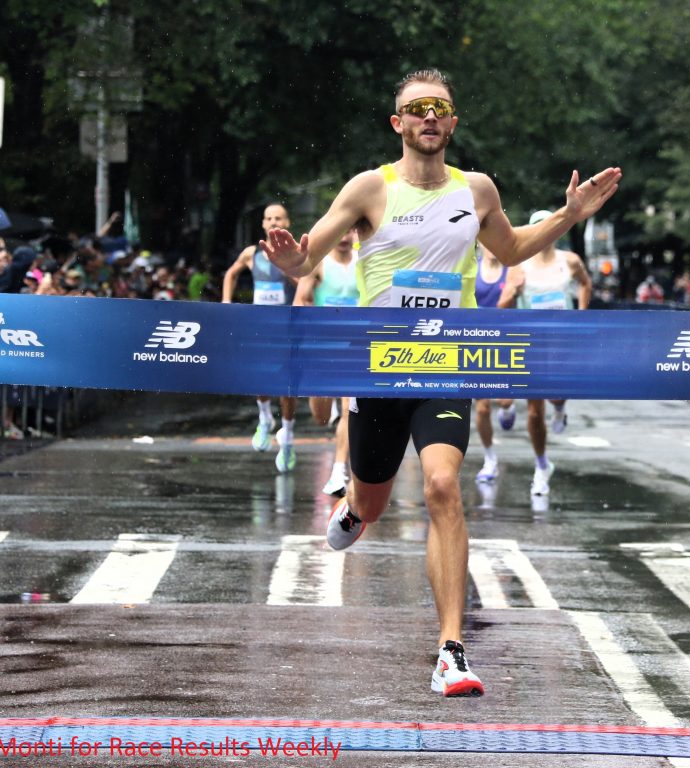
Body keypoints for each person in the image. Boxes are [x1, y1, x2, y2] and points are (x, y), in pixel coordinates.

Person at [260, 68, 621, 697]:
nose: (429, 116)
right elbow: (304, 258)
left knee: (442, 484)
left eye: (440, 108)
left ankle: (451, 649)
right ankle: (356, 509)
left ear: (452, 123)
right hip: (380, 368)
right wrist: (286, 254)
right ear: (397, 123)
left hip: (447, 361)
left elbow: (510, 250)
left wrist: (569, 213)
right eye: (416, 108)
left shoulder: (476, 189)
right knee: (372, 501)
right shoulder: (369, 188)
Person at [496, 209, 592, 496]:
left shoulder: (570, 261)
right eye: (537, 227)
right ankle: (541, 465)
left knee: (557, 394)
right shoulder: (519, 265)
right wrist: (514, 293)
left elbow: (586, 283)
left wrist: (582, 314)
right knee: (535, 411)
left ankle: (561, 408)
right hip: (532, 343)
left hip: (562, 340)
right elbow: (503, 306)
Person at [222, 203, 300, 472]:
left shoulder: (297, 254)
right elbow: (231, 274)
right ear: (263, 224)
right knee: (260, 377)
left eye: (278, 217)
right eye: (269, 218)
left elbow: (306, 285)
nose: (273, 222)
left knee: (287, 385)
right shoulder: (251, 253)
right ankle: (265, 418)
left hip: (287, 325)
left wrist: (287, 266)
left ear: (287, 222)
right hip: (259, 325)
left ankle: (287, 437)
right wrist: (226, 302)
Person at [292, 230, 360, 496]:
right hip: (322, 345)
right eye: (340, 232)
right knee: (320, 417)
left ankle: (338, 471)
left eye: (350, 232)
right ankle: (326, 407)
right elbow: (300, 300)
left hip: (355, 346)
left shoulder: (364, 261)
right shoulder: (318, 263)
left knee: (349, 410)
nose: (344, 237)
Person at [472, 245, 510, 483]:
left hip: (506, 344)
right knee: (483, 407)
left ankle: (508, 407)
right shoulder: (472, 270)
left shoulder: (512, 270)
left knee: (504, 400)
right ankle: (490, 459)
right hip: (477, 344)